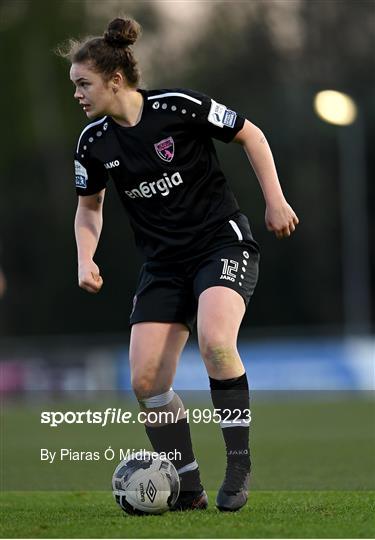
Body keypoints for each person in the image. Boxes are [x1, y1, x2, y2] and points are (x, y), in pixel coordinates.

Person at [60, 17, 299, 512]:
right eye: (74, 86)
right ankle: (187, 487)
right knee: (146, 381)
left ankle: (239, 463)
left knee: (216, 343)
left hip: (220, 244)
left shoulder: (178, 107)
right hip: (164, 265)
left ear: (115, 80)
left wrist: (274, 201)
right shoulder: (93, 142)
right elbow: (89, 208)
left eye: (84, 84)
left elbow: (251, 135)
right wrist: (86, 258)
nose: (78, 95)